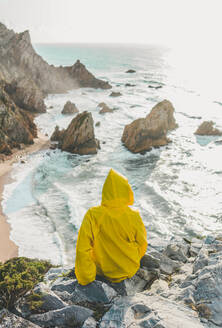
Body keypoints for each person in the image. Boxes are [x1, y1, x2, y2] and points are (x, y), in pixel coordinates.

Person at [75, 168, 148, 286]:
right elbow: (142, 244)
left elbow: (83, 247)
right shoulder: (134, 215)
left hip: (102, 271)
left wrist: (86, 277)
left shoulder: (93, 214)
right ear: (126, 190)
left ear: (105, 191)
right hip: (128, 269)